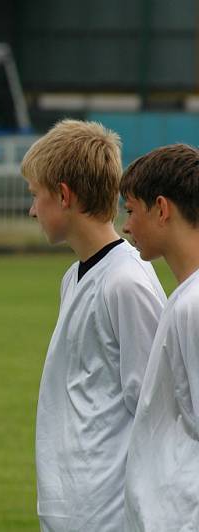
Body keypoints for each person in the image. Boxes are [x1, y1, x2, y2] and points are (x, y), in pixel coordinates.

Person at [21, 119, 166, 531]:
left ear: (63, 195)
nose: (32, 209)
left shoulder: (127, 281)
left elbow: (153, 407)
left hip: (108, 511)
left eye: (36, 195)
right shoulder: (74, 276)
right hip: (70, 503)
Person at [120, 144, 199, 530]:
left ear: (162, 209)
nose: (126, 226)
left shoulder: (195, 303)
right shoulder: (184, 296)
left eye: (132, 210)